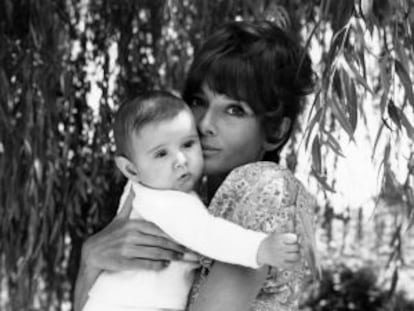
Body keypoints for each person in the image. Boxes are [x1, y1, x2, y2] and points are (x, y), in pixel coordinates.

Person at [74, 20, 319, 311]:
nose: (204, 124)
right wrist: (90, 262)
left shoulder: (263, 187)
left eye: (234, 110)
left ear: (276, 130)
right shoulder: (179, 205)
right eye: (198, 101)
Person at [82, 90, 301, 311]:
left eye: (187, 144)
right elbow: (207, 233)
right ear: (130, 169)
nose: (180, 160)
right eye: (161, 154)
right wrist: (259, 248)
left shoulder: (145, 189)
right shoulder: (165, 202)